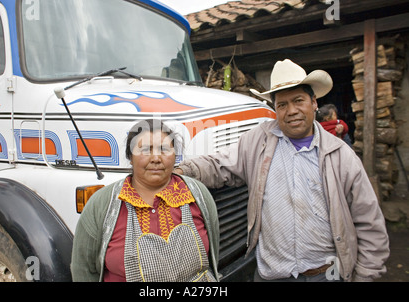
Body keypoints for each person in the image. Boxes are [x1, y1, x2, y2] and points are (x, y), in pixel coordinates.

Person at [175, 59, 389, 282]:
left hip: (325, 274)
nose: (291, 111)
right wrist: (180, 170)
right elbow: (218, 165)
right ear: (275, 109)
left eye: (299, 101)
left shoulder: (340, 155)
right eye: (282, 104)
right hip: (272, 274)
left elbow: (369, 223)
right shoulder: (258, 141)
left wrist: (365, 276)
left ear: (314, 102)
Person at [71, 119, 219, 282]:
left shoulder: (198, 195)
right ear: (130, 156)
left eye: (164, 149)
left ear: (175, 155)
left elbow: (213, 257)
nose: (156, 158)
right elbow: (83, 269)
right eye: (145, 150)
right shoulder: (102, 205)